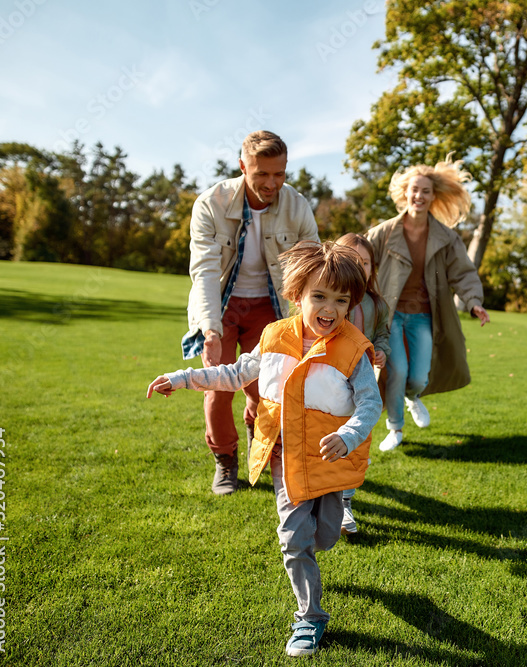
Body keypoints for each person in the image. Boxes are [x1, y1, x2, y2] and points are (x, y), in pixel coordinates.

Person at [148, 241, 380, 657]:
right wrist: (183, 377)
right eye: (320, 296)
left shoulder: (353, 350)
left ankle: (323, 534)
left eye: (341, 300)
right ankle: (310, 619)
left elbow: (370, 404)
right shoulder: (274, 337)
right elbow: (236, 374)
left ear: (350, 305)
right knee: (294, 539)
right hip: (284, 456)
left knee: (324, 536)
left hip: (330, 463)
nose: (330, 308)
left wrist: (347, 436)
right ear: (297, 295)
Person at [181, 130, 319, 495]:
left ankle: (260, 438)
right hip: (222, 306)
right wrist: (209, 330)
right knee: (217, 387)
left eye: (280, 174)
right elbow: (205, 272)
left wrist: (309, 326)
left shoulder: (297, 206)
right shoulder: (211, 203)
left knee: (265, 390)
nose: (271, 183)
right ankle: (225, 462)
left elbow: (311, 269)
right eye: (261, 174)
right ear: (243, 166)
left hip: (270, 307)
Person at [365, 157, 490, 452]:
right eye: (414, 189)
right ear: (404, 192)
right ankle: (395, 428)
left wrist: (474, 301)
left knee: (419, 376)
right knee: (396, 371)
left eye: (425, 191)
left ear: (434, 197)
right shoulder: (384, 232)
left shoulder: (446, 238)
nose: (418, 196)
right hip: (391, 315)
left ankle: (413, 396)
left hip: (423, 316)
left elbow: (463, 272)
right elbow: (361, 261)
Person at [334, 233, 390, 536]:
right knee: (326, 432)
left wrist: (382, 350)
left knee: (356, 436)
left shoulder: (377, 304)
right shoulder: (328, 296)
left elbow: (383, 333)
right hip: (329, 378)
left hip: (363, 379)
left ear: (372, 268)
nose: (358, 266)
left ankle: (345, 501)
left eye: (364, 262)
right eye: (350, 259)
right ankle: (318, 492)